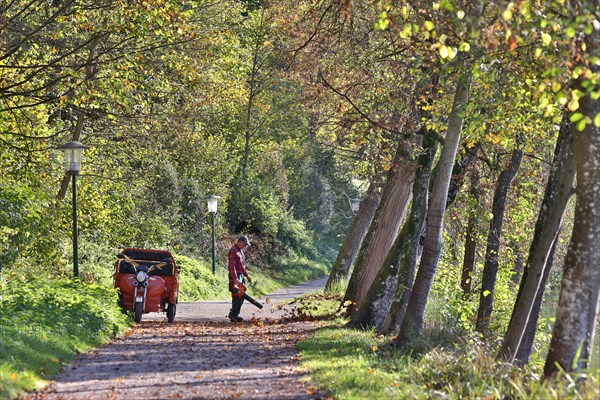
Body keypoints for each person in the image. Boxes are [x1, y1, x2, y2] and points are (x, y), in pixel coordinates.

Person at [228, 235, 252, 322]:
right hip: (235, 276)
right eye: (244, 244)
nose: (245, 246)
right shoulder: (233, 251)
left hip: (240, 275)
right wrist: (235, 278)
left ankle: (235, 314)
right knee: (237, 296)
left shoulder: (240, 252)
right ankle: (233, 315)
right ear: (239, 242)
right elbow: (232, 266)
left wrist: (247, 275)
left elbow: (242, 266)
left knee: (241, 296)